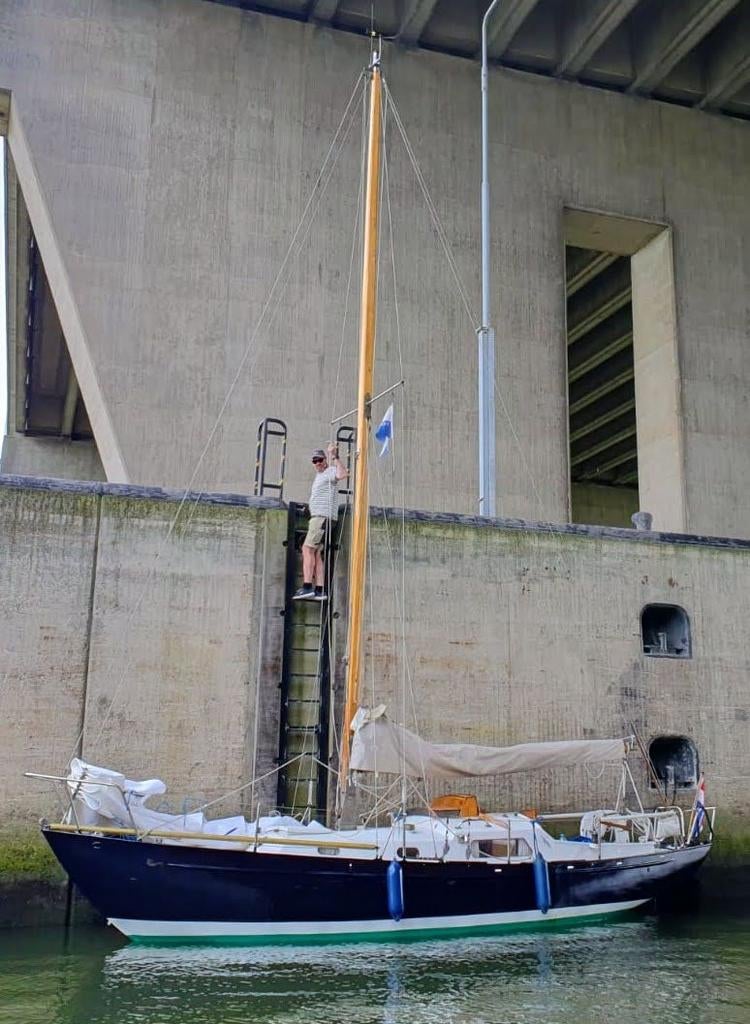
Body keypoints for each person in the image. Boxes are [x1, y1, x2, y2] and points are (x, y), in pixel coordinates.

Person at [293, 443, 348, 601]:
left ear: (325, 460)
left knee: (307, 549)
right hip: (321, 519)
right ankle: (319, 590)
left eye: (320, 460)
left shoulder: (330, 471)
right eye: (315, 461)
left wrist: (335, 456)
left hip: (321, 519)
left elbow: (343, 474)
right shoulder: (320, 476)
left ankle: (307, 587)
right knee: (316, 554)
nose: (317, 463)